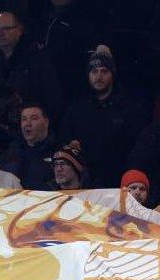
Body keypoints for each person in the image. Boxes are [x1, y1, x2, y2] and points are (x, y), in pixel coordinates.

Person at [59, 47, 146, 188]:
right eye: (94, 72)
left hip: (118, 182)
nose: (98, 76)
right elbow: (64, 144)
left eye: (104, 71)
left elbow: (138, 148)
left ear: (112, 74)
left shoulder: (129, 108)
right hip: (85, 184)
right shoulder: (76, 109)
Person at [0, 12, 63, 119]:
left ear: (19, 30)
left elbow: (52, 96)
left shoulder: (36, 58)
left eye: (6, 28)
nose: (1, 33)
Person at [2, 104, 56, 190]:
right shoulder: (13, 151)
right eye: (24, 119)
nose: (27, 124)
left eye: (33, 118)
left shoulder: (58, 151)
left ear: (46, 122)